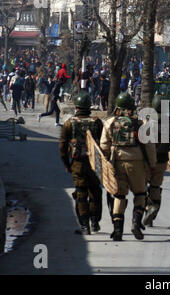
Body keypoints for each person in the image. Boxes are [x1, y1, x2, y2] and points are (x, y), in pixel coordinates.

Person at [100, 92, 156, 241]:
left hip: (117, 161)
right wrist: (152, 164)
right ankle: (136, 224)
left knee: (119, 195)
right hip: (137, 162)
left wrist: (106, 162)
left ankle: (117, 230)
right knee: (140, 194)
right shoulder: (141, 123)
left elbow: (104, 145)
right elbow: (150, 147)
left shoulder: (110, 122)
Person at [59, 93, 104, 235]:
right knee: (95, 192)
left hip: (78, 163)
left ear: (77, 107)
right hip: (95, 163)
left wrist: (67, 164)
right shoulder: (97, 122)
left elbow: (62, 146)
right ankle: (95, 222)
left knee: (81, 193)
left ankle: (85, 225)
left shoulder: (69, 123)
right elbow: (104, 143)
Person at [143, 95, 170, 227]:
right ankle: (152, 211)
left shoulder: (145, 122)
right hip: (161, 161)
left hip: (146, 161)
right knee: (155, 187)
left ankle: (146, 209)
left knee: (142, 189)